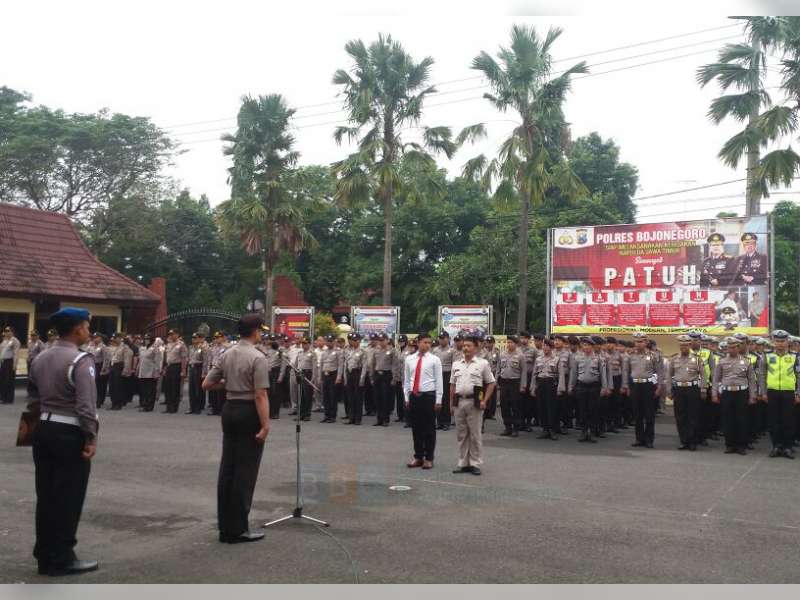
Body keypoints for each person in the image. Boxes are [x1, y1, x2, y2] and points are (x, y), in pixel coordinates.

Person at [27, 307, 99, 576]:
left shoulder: (40, 358)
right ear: (78, 328)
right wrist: (90, 436)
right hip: (69, 433)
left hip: (43, 429)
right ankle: (62, 558)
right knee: (68, 497)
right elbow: (85, 406)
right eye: (87, 326)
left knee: (46, 495)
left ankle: (45, 554)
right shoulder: (81, 360)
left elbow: (33, 399)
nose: (89, 331)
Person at [202, 313, 271, 544]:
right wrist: (265, 425)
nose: (261, 334)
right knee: (245, 471)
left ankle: (225, 527)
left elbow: (207, 384)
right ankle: (238, 528)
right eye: (260, 330)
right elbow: (260, 395)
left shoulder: (226, 353)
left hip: (229, 408)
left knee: (228, 469)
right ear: (255, 331)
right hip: (248, 411)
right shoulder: (257, 357)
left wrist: (229, 384)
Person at [450, 336, 496, 476]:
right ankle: (463, 462)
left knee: (475, 434)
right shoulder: (456, 364)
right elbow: (452, 385)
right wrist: (451, 404)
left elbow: (491, 383)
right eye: (464, 346)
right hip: (459, 401)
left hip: (474, 402)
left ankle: (475, 463)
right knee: (461, 434)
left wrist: (485, 400)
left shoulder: (482, 364)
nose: (465, 348)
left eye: (469, 346)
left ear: (476, 348)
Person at [403, 332, 443, 470]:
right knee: (416, 428)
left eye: (429, 342)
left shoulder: (434, 359)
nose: (427, 345)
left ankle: (429, 458)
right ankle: (418, 456)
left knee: (429, 429)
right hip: (414, 396)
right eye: (425, 342)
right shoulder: (409, 359)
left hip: (429, 396)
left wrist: (438, 399)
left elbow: (439, 380)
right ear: (418, 342)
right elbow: (407, 380)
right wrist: (406, 397)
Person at [713, 337, 756, 455]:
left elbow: (752, 380)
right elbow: (716, 379)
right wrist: (714, 394)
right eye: (729, 347)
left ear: (738, 347)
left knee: (742, 419)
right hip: (727, 393)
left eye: (734, 347)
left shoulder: (747, 361)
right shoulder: (721, 361)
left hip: (742, 393)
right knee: (728, 419)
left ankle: (741, 445)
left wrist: (752, 396)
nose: (731, 349)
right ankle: (730, 445)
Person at [761, 330, 799, 459]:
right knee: (774, 421)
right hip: (772, 392)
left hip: (789, 392)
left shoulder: (795, 356)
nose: (780, 344)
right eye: (777, 341)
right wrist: (763, 392)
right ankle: (776, 446)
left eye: (783, 341)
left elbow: (799, 376)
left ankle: (787, 447)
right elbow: (762, 375)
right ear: (773, 342)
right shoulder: (766, 356)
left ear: (787, 342)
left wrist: (798, 393)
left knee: (788, 421)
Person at [622, 331, 662, 449]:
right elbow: (626, 372)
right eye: (636, 341)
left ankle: (649, 439)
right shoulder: (630, 355)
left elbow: (659, 372)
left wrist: (659, 386)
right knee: (637, 414)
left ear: (646, 342)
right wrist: (626, 386)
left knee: (649, 414)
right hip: (635, 386)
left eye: (641, 341)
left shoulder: (654, 355)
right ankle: (639, 439)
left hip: (648, 386)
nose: (638, 344)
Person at [667, 335, 704, 451]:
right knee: (680, 416)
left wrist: (703, 389)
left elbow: (703, 375)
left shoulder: (697, 359)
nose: (683, 347)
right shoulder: (674, 359)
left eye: (686, 345)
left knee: (693, 416)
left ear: (689, 345)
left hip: (692, 389)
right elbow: (669, 376)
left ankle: (692, 441)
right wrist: (669, 390)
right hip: (679, 390)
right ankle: (684, 441)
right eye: (681, 345)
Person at [568, 337, 609, 444]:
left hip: (594, 387)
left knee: (593, 410)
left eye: (588, 345)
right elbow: (574, 373)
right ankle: (583, 432)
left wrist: (604, 387)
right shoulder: (577, 358)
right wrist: (571, 386)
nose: (586, 347)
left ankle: (591, 432)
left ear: (592, 346)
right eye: (584, 345)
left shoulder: (598, 359)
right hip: (581, 386)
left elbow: (603, 374)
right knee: (582, 410)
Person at [531, 338, 565, 440]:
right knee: (541, 408)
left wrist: (560, 388)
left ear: (551, 348)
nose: (545, 348)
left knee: (551, 408)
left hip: (551, 384)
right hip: (541, 384)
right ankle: (544, 429)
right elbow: (534, 375)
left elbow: (561, 374)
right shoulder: (538, 359)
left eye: (547, 346)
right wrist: (532, 388)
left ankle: (552, 429)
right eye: (544, 346)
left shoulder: (557, 359)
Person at [497, 335, 527, 437]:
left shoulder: (520, 356)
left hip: (515, 382)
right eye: (508, 342)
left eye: (511, 342)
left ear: (516, 344)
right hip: (504, 382)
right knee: (504, 406)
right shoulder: (502, 355)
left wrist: (523, 385)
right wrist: (497, 382)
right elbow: (498, 369)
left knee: (515, 406)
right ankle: (507, 427)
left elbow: (524, 371)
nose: (509, 344)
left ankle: (516, 428)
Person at [432, 332, 455, 431]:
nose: (442, 340)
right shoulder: (435, 350)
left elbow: (454, 365)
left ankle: (446, 422)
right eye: (440, 338)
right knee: (438, 398)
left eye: (443, 338)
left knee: (446, 399)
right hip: (437, 375)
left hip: (447, 375)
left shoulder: (452, 350)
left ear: (448, 338)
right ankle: (439, 421)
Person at [343, 333, 367, 425]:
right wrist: (345, 377)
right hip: (349, 374)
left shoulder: (362, 351)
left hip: (357, 374)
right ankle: (351, 417)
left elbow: (364, 366)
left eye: (355, 340)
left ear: (359, 341)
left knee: (358, 397)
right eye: (352, 340)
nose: (354, 342)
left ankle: (358, 418)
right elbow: (346, 364)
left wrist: (362, 379)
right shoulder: (348, 350)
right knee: (350, 397)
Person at [320, 334, 344, 423]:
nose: (328, 343)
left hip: (333, 375)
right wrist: (320, 376)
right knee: (325, 396)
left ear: (334, 342)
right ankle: (326, 415)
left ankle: (332, 416)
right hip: (325, 375)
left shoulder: (338, 352)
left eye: (330, 341)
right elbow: (322, 364)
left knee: (332, 396)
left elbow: (340, 365)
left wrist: (339, 377)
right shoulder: (324, 352)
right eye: (327, 341)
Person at [162, 329, 188, 414]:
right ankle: (168, 406)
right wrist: (165, 368)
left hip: (177, 367)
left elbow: (184, 358)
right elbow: (167, 358)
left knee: (175, 388)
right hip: (169, 366)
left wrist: (183, 370)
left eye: (173, 334)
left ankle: (174, 407)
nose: (171, 335)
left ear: (177, 334)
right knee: (168, 388)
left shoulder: (181, 344)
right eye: (170, 334)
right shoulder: (168, 344)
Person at [136, 334, 161, 412]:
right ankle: (144, 404)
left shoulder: (155, 348)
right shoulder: (142, 348)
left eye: (148, 339)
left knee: (150, 390)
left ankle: (149, 406)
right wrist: (137, 369)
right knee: (144, 390)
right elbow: (140, 360)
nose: (146, 340)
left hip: (151, 372)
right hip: (142, 371)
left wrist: (157, 372)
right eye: (146, 338)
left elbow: (157, 361)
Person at [207, 332, 229, 415]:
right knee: (213, 390)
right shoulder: (213, 347)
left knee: (221, 391)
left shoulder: (228, 347)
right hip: (213, 368)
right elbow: (210, 359)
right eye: (215, 337)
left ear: (224, 337)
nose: (216, 339)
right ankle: (214, 408)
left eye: (218, 337)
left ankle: (221, 409)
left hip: (222, 370)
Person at [186, 333, 209, 415]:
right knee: (191, 389)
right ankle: (192, 407)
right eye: (192, 338)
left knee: (198, 389)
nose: (193, 339)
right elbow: (188, 359)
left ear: (199, 339)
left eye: (195, 338)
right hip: (192, 368)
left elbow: (206, 361)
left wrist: (204, 373)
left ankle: (198, 407)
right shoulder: (191, 347)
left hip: (198, 368)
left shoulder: (203, 348)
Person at [86, 334, 110, 408]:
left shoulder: (103, 347)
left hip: (99, 366)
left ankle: (98, 402)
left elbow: (106, 358)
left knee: (98, 385)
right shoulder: (91, 345)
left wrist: (104, 368)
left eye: (96, 338)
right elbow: (87, 354)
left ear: (100, 338)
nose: (94, 339)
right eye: (94, 338)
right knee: (92, 384)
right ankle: (92, 400)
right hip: (91, 365)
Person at [0, 325, 21, 404]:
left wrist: (14, 365)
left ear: (12, 332)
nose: (6, 332)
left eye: (8, 331)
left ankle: (8, 399)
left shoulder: (15, 340)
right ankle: (2, 397)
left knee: (9, 381)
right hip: (3, 362)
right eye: (5, 331)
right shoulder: (4, 341)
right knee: (2, 380)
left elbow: (16, 353)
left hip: (10, 362)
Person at [26, 331, 46, 398]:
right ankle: (30, 392)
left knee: (36, 377)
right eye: (32, 335)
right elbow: (29, 352)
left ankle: (36, 392)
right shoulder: (29, 343)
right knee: (29, 377)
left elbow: (42, 354)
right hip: (30, 361)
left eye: (34, 335)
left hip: (36, 361)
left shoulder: (40, 343)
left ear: (38, 336)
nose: (33, 337)